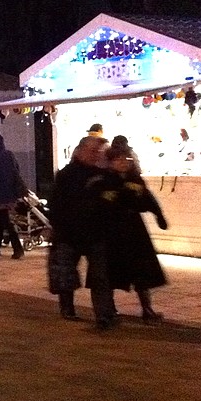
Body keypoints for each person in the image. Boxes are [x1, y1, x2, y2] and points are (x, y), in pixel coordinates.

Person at [47, 136, 114, 327]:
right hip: (70, 232)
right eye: (93, 151)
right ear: (81, 150)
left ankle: (103, 314)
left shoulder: (102, 174)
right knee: (66, 272)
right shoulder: (67, 174)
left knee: (100, 275)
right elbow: (56, 204)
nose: (96, 155)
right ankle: (67, 308)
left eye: (99, 152)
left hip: (95, 232)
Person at [99, 144, 169, 323]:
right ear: (111, 162)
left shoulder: (135, 179)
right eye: (119, 159)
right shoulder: (105, 180)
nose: (123, 162)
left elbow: (148, 198)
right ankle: (110, 309)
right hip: (113, 232)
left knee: (142, 271)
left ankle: (147, 309)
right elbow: (105, 204)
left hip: (134, 230)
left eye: (126, 159)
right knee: (114, 272)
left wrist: (158, 215)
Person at [0, 133, 26, 259]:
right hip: (11, 191)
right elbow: (17, 170)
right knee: (2, 218)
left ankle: (16, 248)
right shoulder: (9, 154)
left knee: (5, 220)